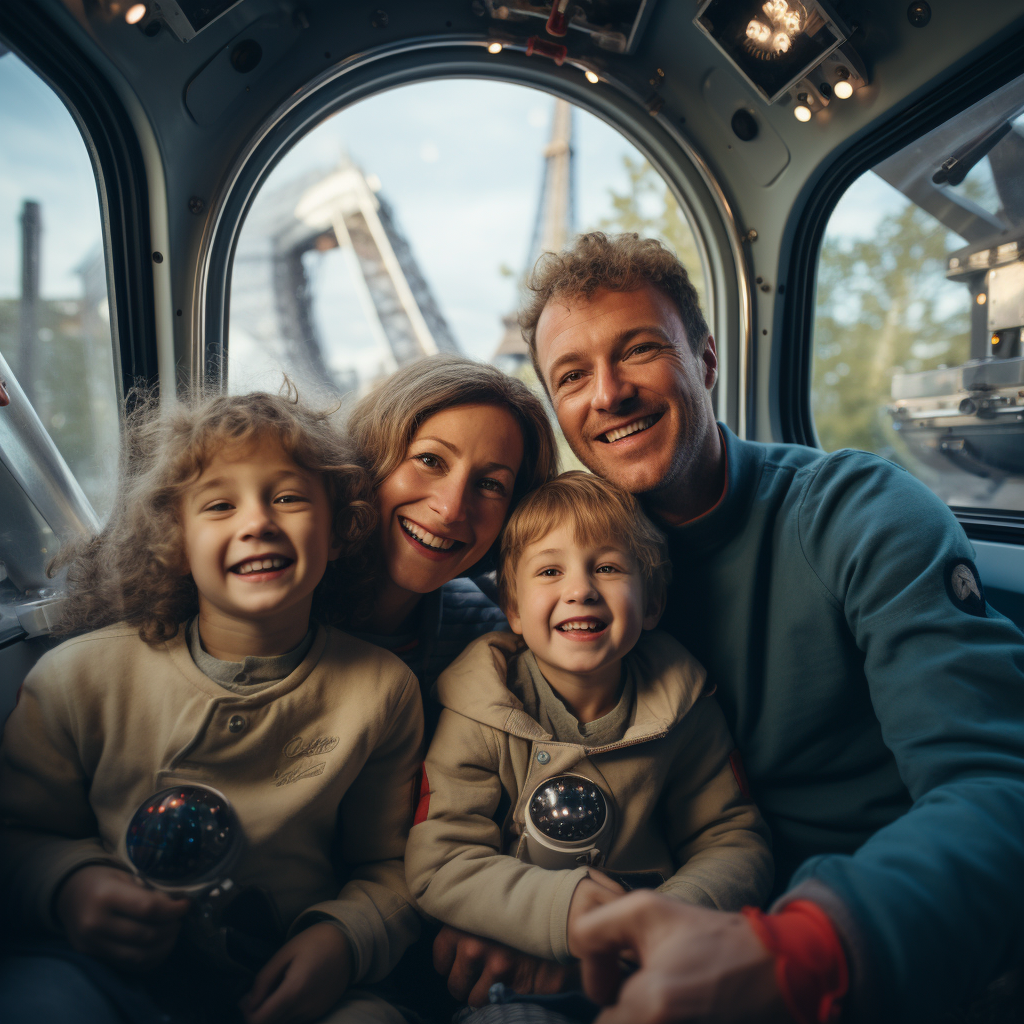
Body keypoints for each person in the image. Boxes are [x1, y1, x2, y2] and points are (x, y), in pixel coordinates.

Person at [500, 231, 1024, 1024]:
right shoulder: (563, 578)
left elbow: (996, 788)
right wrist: (517, 916)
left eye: (638, 351)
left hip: (882, 944)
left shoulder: (860, 515)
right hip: (665, 921)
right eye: (572, 376)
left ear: (706, 362)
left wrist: (805, 950)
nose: (607, 393)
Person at [0, 389, 424, 1024]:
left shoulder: (381, 689)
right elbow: (17, 835)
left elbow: (388, 865)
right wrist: (69, 885)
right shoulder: (76, 681)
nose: (257, 522)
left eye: (288, 497)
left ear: (338, 531)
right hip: (102, 974)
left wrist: (342, 939)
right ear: (176, 542)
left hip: (286, 983)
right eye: (220, 505)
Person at [405, 472, 772, 1013]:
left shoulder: (685, 706)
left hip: (654, 965)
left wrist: (662, 920)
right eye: (550, 571)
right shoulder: (480, 709)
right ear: (513, 610)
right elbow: (442, 860)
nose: (580, 590)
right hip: (516, 973)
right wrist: (565, 910)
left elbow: (734, 841)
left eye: (607, 567)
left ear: (651, 605)